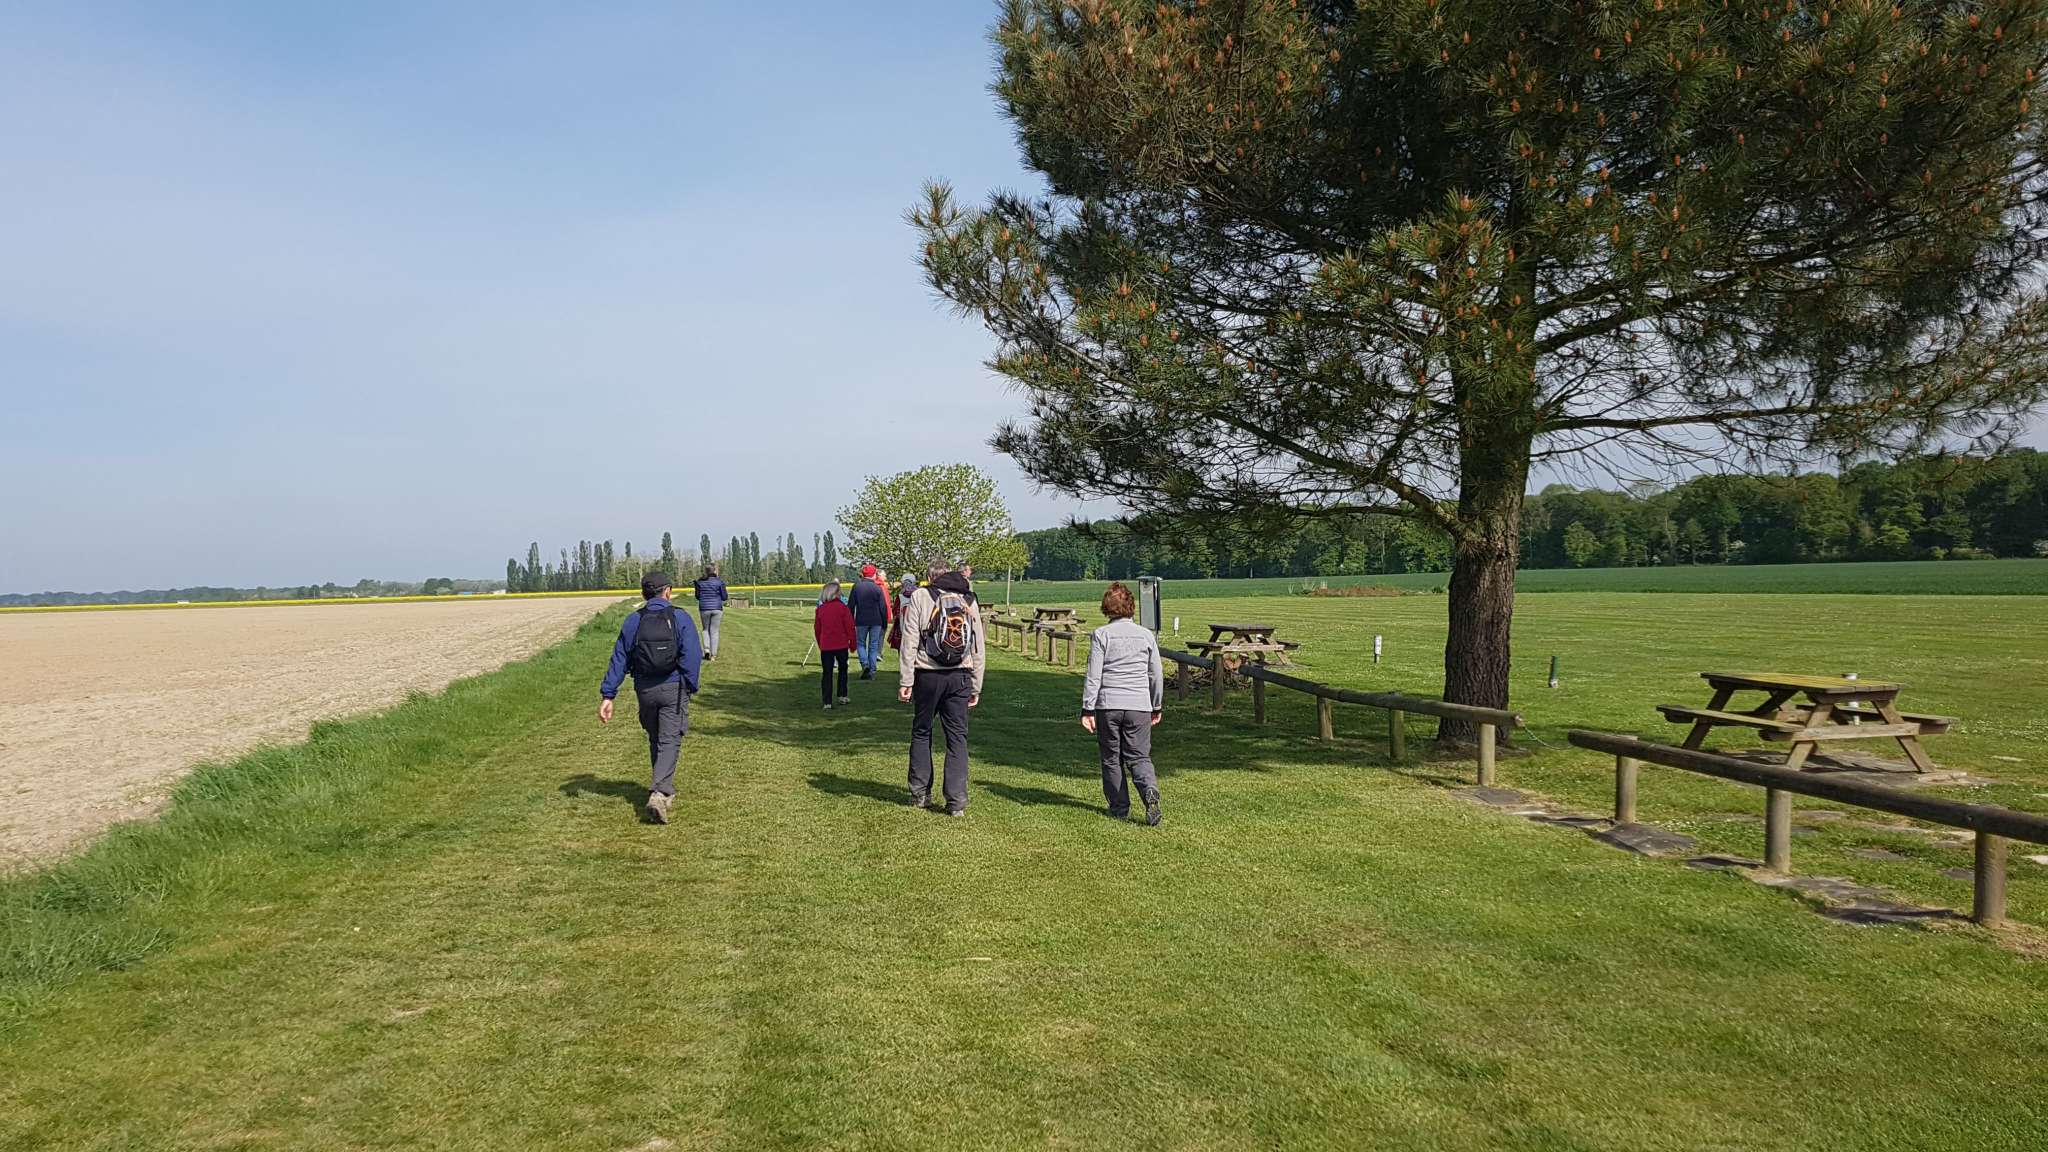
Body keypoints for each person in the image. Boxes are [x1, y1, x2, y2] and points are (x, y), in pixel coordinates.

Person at [599, 572, 703, 824]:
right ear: (667, 591)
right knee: (670, 739)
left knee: (656, 737)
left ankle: (664, 788)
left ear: (644, 594)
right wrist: (690, 684)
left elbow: (619, 658)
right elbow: (692, 654)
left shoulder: (633, 620)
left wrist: (608, 694)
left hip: (644, 689)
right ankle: (659, 792)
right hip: (673, 686)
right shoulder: (680, 617)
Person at [898, 562, 985, 815]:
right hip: (960, 675)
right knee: (957, 737)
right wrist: (976, 685)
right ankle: (956, 801)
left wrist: (906, 681)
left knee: (922, 731)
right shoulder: (969, 599)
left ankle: (920, 793)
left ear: (929, 577)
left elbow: (909, 640)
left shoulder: (920, 596)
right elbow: (977, 645)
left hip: (927, 674)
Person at [1081, 581, 1164, 825]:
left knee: (1111, 758)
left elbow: (1094, 674)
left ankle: (1119, 807)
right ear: (1131, 606)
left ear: (1106, 607)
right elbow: (1156, 673)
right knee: (1139, 756)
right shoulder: (1146, 635)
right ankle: (1149, 790)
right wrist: (1156, 704)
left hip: (1109, 704)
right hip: (1139, 704)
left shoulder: (1101, 635)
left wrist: (1087, 707)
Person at [814, 580, 855, 709]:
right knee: (843, 670)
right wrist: (853, 643)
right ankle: (842, 695)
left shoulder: (820, 609)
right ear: (837, 593)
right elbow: (850, 627)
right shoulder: (843, 608)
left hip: (826, 645)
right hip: (841, 644)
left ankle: (827, 701)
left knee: (827, 673)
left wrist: (820, 643)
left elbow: (817, 629)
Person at [849, 563, 892, 681]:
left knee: (860, 644)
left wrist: (850, 620)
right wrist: (884, 622)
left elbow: (851, 605)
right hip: (876, 621)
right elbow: (883, 607)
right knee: (873, 645)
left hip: (861, 620)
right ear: (874, 575)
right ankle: (872, 670)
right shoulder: (877, 588)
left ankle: (865, 664)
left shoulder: (856, 587)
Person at [692, 563, 729, 661]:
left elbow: (697, 596)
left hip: (704, 608)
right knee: (714, 631)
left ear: (705, 571)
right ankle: (713, 655)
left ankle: (706, 649)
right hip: (717, 608)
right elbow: (724, 597)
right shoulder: (719, 582)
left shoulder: (700, 582)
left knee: (705, 629)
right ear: (714, 571)